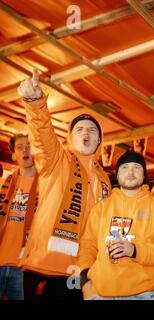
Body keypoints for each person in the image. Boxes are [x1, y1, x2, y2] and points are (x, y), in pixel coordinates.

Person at [17, 69, 111, 300]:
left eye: (91, 130)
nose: (85, 133)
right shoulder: (57, 160)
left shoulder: (105, 179)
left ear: (99, 140)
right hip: (49, 268)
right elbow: (42, 135)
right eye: (79, 130)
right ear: (70, 138)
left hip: (86, 270)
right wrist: (35, 102)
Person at [77, 151, 154, 300]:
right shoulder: (101, 208)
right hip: (99, 293)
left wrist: (135, 250)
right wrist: (85, 281)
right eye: (125, 167)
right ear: (117, 175)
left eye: (137, 167)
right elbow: (87, 245)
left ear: (144, 176)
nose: (130, 171)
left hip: (141, 295)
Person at [0, 135, 38, 300]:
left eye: (29, 145)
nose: (25, 150)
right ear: (14, 155)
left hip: (24, 266)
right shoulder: (7, 183)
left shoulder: (45, 184)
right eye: (20, 147)